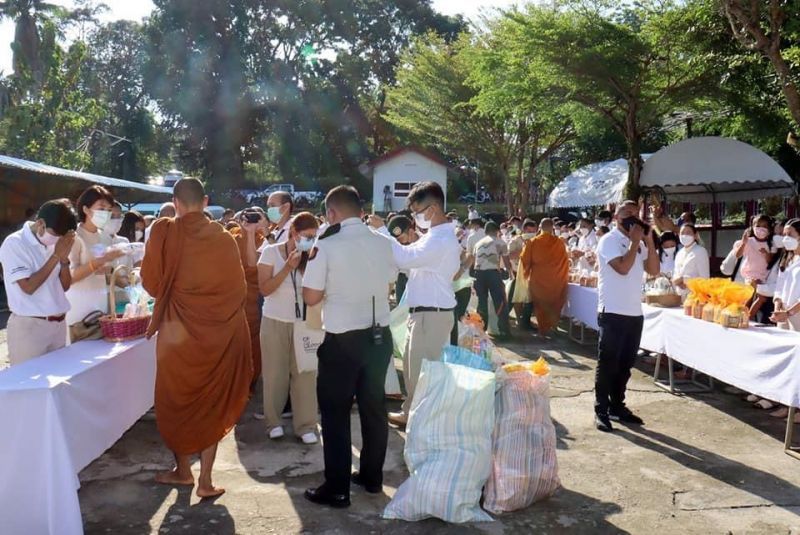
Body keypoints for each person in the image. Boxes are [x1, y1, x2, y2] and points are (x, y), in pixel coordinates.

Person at [140, 178, 252, 498]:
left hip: (178, 336)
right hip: (217, 337)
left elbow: (150, 282)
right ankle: (205, 480)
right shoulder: (223, 238)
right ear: (205, 202)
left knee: (177, 401)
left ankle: (182, 471)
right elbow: (239, 290)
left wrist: (175, 295)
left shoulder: (164, 231)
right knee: (212, 403)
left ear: (175, 201)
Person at [302, 185, 396, 508]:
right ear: (360, 209)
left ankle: (338, 487)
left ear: (331, 213)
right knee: (374, 408)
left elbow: (311, 296)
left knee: (335, 413)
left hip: (342, 340)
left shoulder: (326, 243)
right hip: (379, 336)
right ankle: (372, 478)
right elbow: (389, 282)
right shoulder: (383, 242)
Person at [371, 182, 460, 427]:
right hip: (422, 313)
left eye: (416, 212)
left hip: (432, 315)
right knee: (412, 371)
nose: (415, 217)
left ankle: (423, 423)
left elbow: (405, 257)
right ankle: (410, 412)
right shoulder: (431, 237)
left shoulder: (440, 240)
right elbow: (411, 267)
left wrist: (383, 232)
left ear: (432, 209)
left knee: (423, 374)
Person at [594, 202, 659, 432]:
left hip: (634, 312)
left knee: (625, 364)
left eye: (635, 214)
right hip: (612, 311)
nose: (632, 217)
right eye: (627, 213)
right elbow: (622, 267)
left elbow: (654, 270)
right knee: (608, 362)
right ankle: (601, 409)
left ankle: (617, 405)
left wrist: (648, 241)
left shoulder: (639, 243)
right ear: (616, 217)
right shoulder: (608, 241)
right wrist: (634, 242)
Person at [257, 212, 319, 444]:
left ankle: (306, 425)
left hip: (305, 322)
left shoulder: (313, 256)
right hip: (274, 320)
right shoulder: (270, 252)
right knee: (275, 374)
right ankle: (273, 422)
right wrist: (287, 268)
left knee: (306, 374)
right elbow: (264, 289)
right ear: (293, 233)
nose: (310, 240)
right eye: (306, 236)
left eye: (314, 236)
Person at [0, 200, 76, 365]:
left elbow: (64, 286)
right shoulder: (14, 243)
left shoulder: (57, 243)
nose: (57, 240)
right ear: (40, 223)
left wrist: (63, 261)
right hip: (30, 326)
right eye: (55, 235)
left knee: (59, 383)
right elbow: (28, 287)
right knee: (27, 385)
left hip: (58, 323)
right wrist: (56, 256)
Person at [66, 186, 126, 339]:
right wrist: (102, 261)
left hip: (100, 308)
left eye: (108, 209)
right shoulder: (74, 237)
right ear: (85, 209)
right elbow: (70, 277)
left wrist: (110, 270)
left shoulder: (104, 237)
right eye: (101, 208)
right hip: (77, 312)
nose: (105, 213)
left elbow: (102, 271)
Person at [229, 209, 269, 387]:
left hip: (255, 296)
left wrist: (256, 231)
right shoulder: (232, 237)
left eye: (255, 218)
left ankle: (251, 379)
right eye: (246, 217)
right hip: (234, 296)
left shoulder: (265, 239)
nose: (249, 221)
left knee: (254, 341)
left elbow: (254, 264)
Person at [519, 218, 569, 338]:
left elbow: (524, 260)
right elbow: (565, 261)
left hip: (538, 279)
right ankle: (553, 326)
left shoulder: (533, 242)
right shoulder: (559, 242)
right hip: (556, 279)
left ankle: (542, 330)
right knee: (554, 303)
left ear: (540, 227)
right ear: (552, 228)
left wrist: (526, 273)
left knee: (540, 305)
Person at [472, 221, 513, 338]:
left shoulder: (478, 243)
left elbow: (474, 260)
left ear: (485, 231)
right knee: (500, 302)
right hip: (493, 275)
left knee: (482, 303)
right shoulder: (500, 242)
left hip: (478, 275)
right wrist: (510, 273)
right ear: (497, 231)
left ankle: (480, 331)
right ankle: (504, 331)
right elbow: (506, 261)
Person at [511, 219, 538, 330]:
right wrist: (524, 250)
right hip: (518, 272)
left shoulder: (536, 240)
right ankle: (518, 319)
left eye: (533, 231)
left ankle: (526, 320)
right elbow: (510, 255)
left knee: (530, 297)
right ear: (524, 229)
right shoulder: (516, 240)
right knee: (518, 297)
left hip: (533, 273)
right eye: (529, 230)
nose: (531, 233)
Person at [735, 214, 775, 288]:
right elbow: (738, 255)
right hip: (749, 275)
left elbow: (771, 262)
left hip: (764, 276)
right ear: (753, 227)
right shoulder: (749, 241)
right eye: (758, 226)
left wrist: (766, 254)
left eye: (764, 226)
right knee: (752, 288)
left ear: (769, 229)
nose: (760, 229)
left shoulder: (771, 244)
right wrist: (743, 243)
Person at [672, 225, 710, 298]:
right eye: (682, 233)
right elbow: (676, 273)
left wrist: (684, 280)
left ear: (695, 235)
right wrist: (677, 281)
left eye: (688, 233)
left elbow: (705, 279)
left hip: (695, 297)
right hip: (679, 297)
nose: (685, 235)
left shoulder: (700, 251)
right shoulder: (679, 253)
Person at [386, 215, 416, 302]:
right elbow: (390, 279)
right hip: (402, 279)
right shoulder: (396, 251)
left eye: (401, 239)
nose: (399, 243)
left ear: (411, 232)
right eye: (396, 241)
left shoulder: (422, 245)